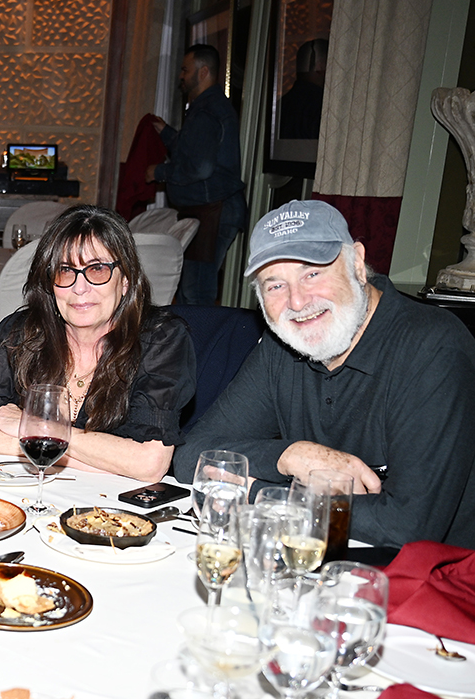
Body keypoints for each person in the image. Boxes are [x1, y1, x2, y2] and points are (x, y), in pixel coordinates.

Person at [174, 200, 475, 548]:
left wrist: (257, 492)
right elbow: (192, 456)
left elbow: (406, 527)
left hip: (435, 582)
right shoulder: (283, 346)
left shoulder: (433, 348)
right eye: (275, 286)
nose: (298, 302)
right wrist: (291, 456)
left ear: (358, 265)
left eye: (312, 273)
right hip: (319, 559)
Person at [0, 205, 196, 482]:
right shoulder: (19, 335)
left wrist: (35, 429)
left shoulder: (160, 340)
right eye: (65, 271)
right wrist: (86, 458)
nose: (79, 287)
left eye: (97, 270)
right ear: (50, 285)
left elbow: (149, 462)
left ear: (125, 280)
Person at [146, 44, 247, 305]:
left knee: (197, 292)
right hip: (211, 209)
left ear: (203, 72)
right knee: (192, 289)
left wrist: (158, 171)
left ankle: (201, 345)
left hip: (212, 211)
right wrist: (166, 132)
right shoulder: (208, 107)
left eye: (184, 69)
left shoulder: (207, 110)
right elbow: (195, 152)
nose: (181, 75)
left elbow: (199, 168)